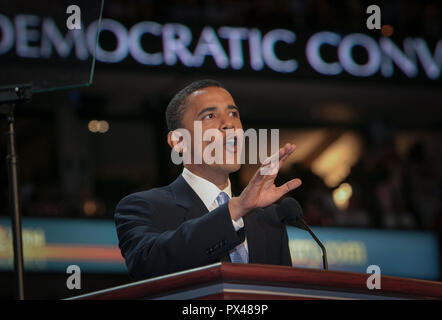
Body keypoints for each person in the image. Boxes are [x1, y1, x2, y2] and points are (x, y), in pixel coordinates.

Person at [114, 79, 302, 280]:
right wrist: (234, 210)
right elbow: (147, 264)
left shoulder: (268, 220)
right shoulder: (142, 207)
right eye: (210, 116)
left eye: (233, 114)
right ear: (178, 142)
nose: (229, 123)